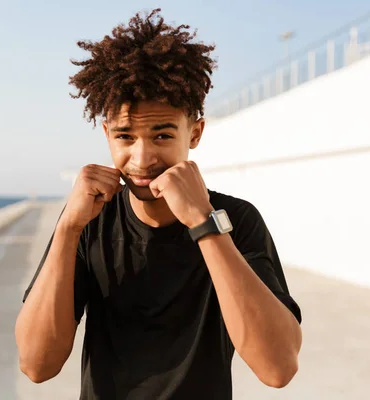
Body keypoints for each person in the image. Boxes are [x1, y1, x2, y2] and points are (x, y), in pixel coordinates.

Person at [15, 8, 302, 399]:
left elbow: (278, 367)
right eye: (125, 136)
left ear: (195, 132)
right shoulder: (90, 224)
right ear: (107, 135)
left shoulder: (236, 220)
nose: (142, 157)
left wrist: (204, 224)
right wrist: (68, 228)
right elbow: (36, 364)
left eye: (163, 135)